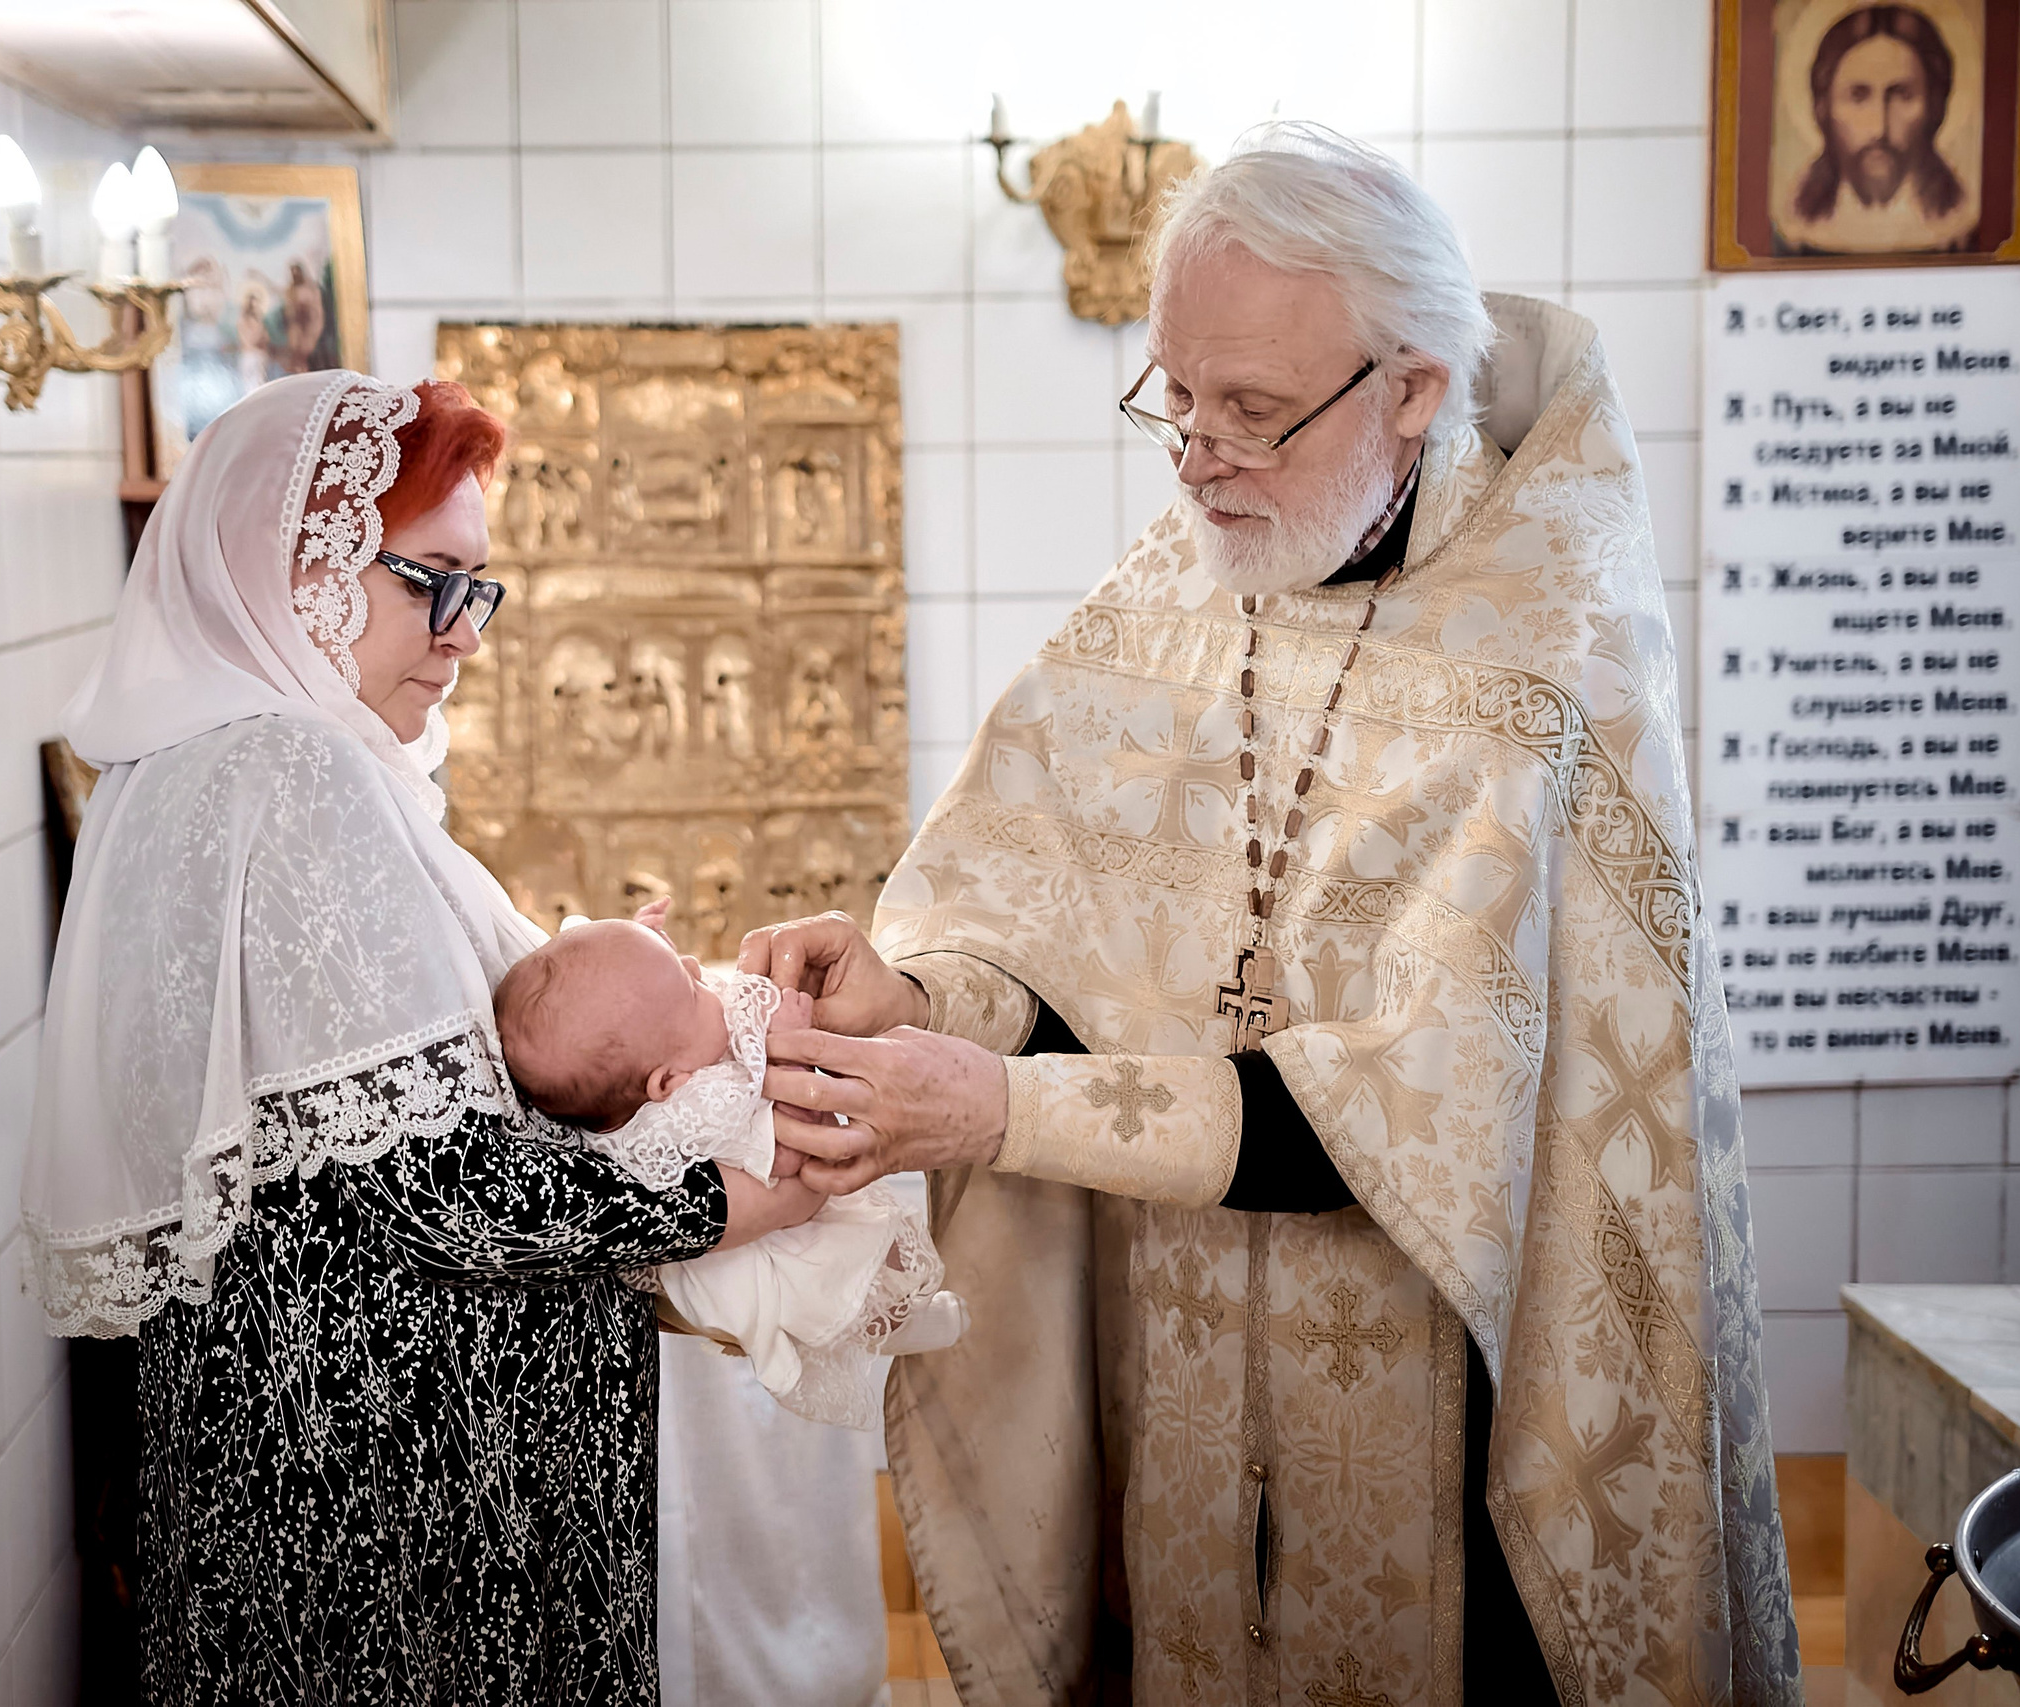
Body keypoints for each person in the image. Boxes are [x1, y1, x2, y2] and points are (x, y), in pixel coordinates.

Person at [744, 124, 1801, 1705]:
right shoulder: (1166, 593)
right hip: (1173, 1356)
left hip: (1442, 1394)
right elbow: (1046, 927)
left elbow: (1416, 1113)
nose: (1196, 457)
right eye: (1174, 394)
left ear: (1414, 387)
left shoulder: (1536, 669)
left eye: (1251, 410)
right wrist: (922, 997)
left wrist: (994, 1105)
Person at [19, 369, 820, 1704]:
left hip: (342, 1455)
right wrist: (725, 1199)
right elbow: (434, 1182)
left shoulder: (212, 763)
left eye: (478, 588)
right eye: (426, 579)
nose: (462, 633)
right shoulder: (284, 769)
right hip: (392, 1494)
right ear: (292, 566)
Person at [496, 911, 966, 1427]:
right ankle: (906, 1326)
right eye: (691, 991)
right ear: (667, 1082)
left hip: (716, 1234)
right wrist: (790, 1057)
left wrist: (643, 944)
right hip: (750, 1252)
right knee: (839, 1280)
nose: (699, 970)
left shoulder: (633, 1089)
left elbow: (617, 1008)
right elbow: (788, 1159)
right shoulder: (696, 1111)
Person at [1781, 4, 1975, 254]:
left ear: (1935, 107)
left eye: (1902, 95)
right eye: (1858, 96)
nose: (1879, 129)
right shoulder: (1798, 227)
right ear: (1823, 107)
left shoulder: (1958, 224)